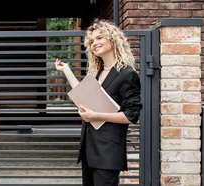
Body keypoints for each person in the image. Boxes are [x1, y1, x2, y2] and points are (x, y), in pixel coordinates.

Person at [54, 19, 142, 186]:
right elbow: (83, 97)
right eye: (92, 41)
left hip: (108, 152)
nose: (95, 43)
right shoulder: (98, 74)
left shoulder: (126, 74)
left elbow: (132, 115)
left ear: (113, 39)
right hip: (90, 149)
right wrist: (66, 70)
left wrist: (95, 115)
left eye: (100, 38)